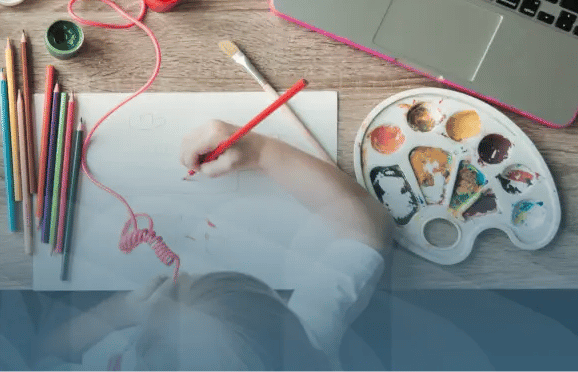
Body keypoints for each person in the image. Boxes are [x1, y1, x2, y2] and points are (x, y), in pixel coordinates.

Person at [33, 120, 392, 372]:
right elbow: (365, 231)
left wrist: (117, 313)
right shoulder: (299, 350)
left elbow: (40, 357)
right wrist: (263, 151)